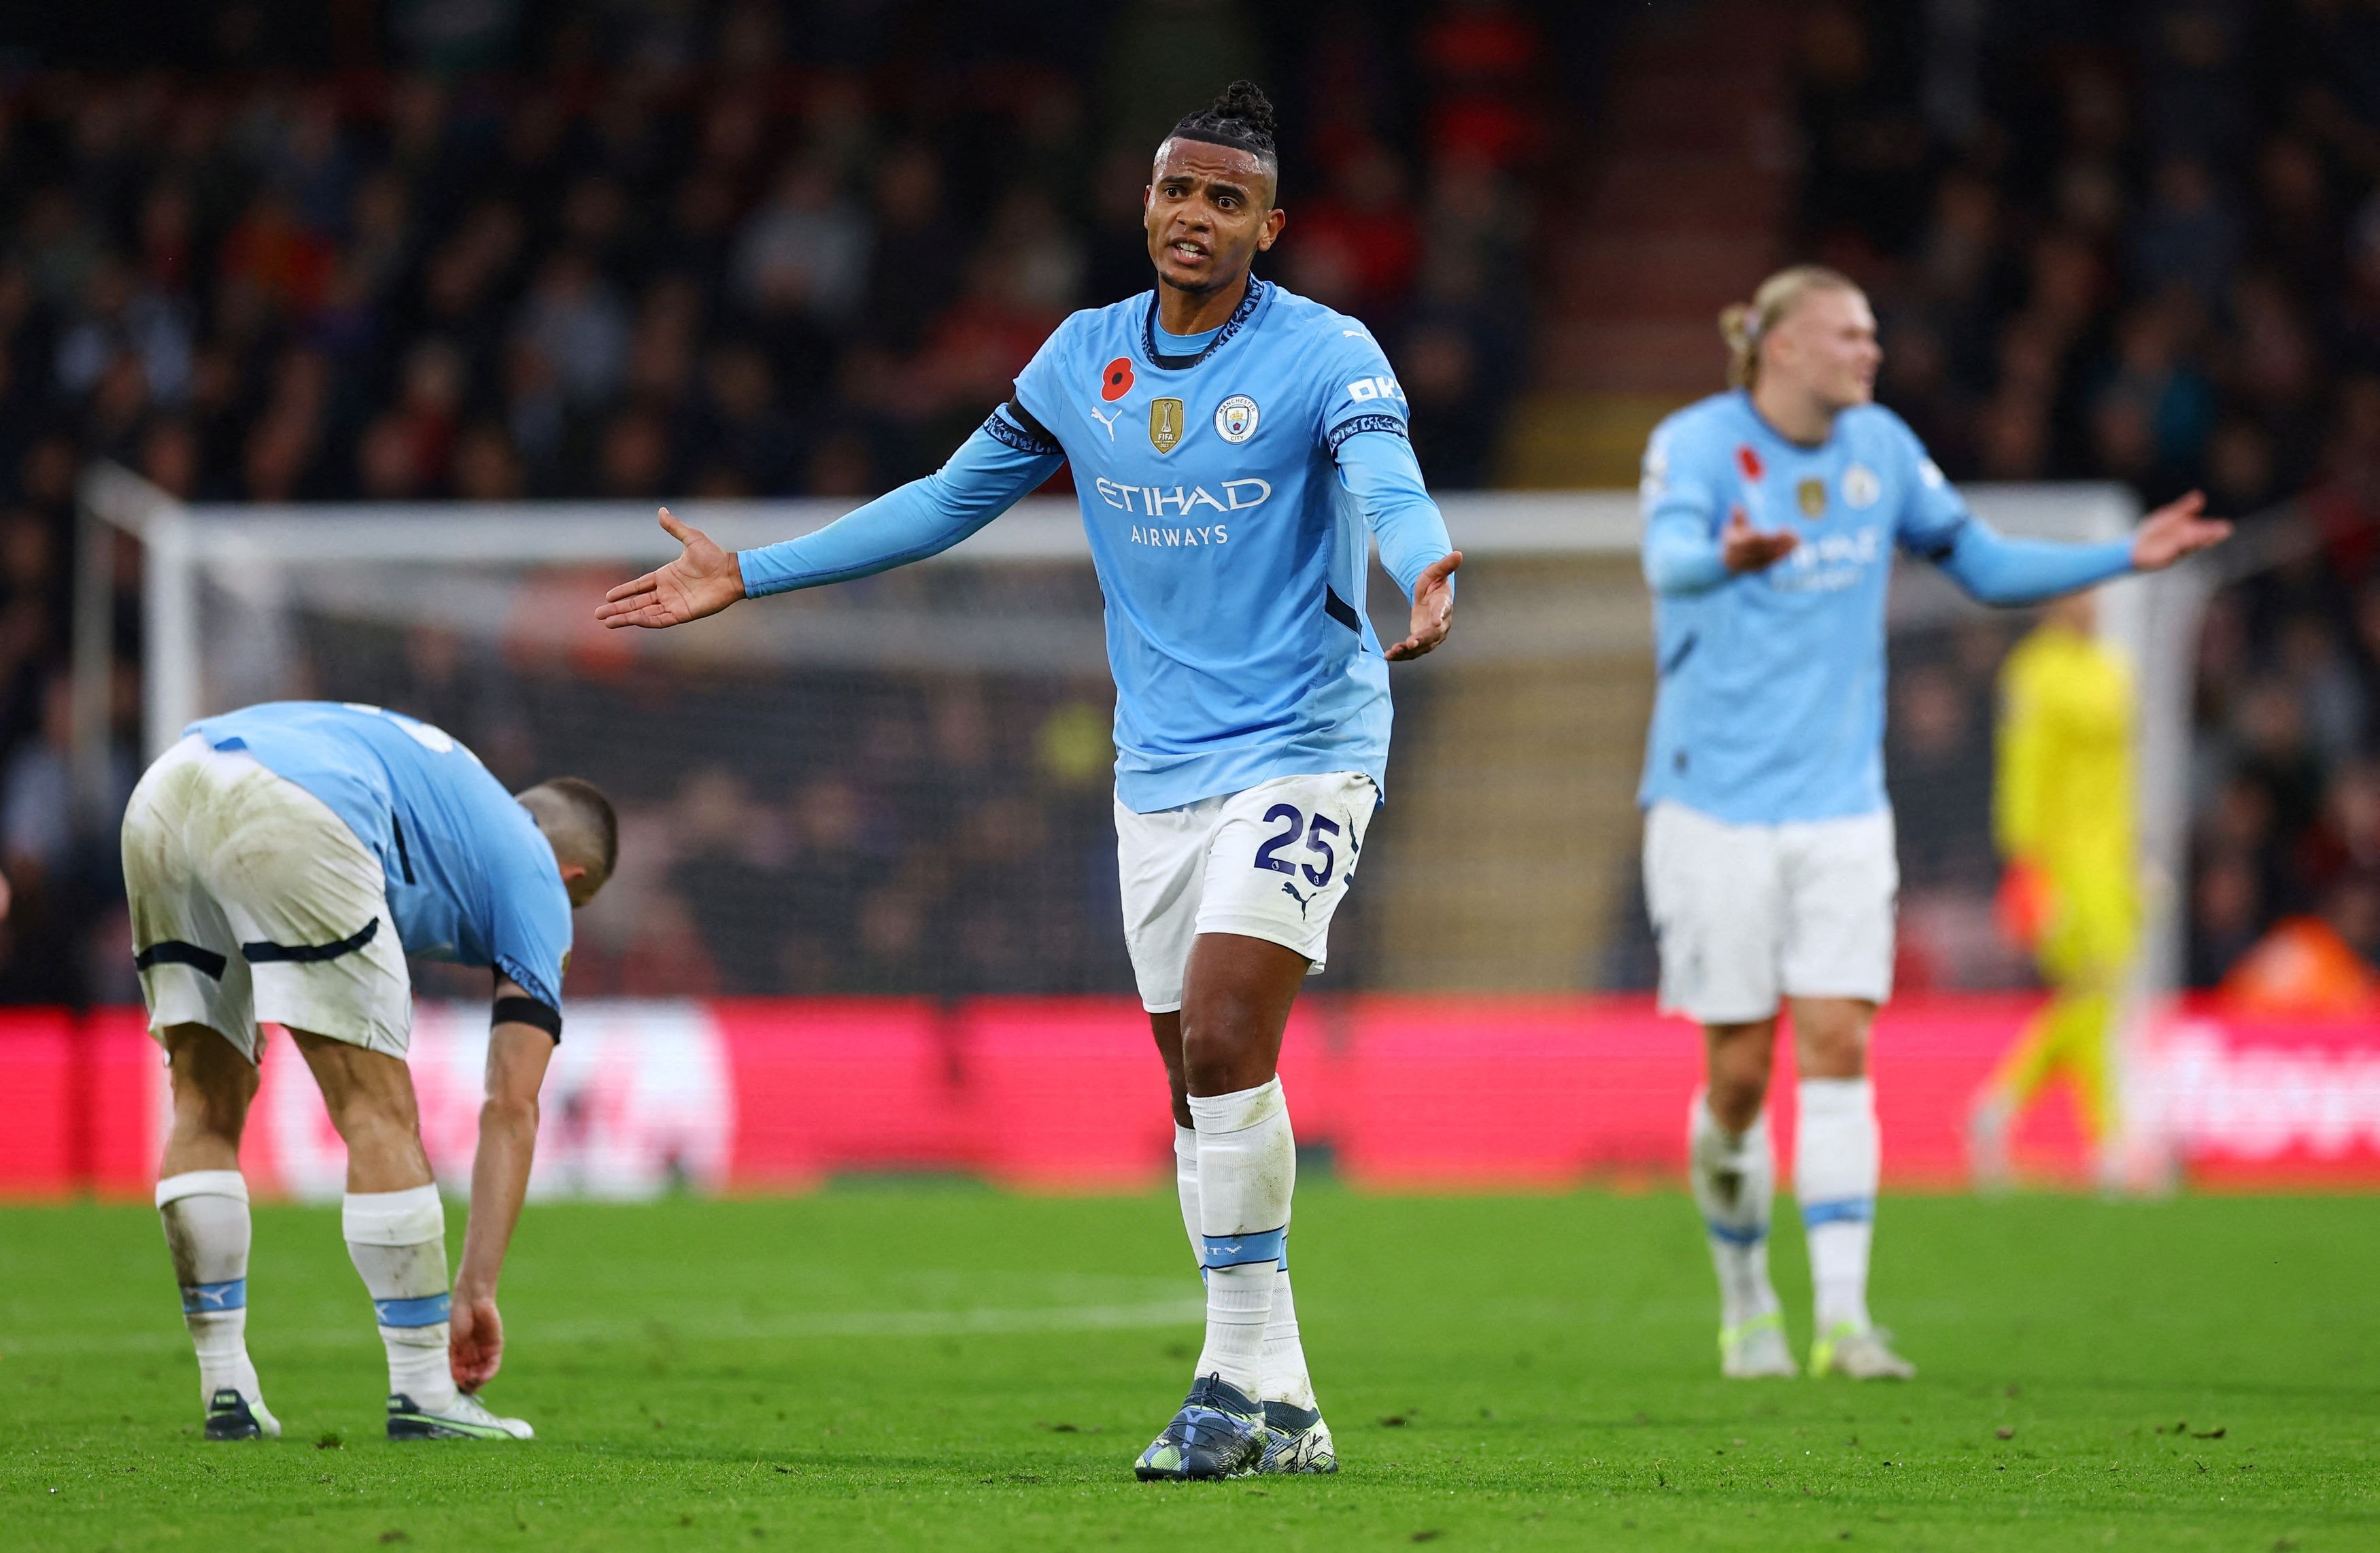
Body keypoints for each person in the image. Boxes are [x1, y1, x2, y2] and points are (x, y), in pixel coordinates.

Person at [598, 82, 1459, 1480]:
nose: (1195, 217)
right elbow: (945, 500)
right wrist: (749, 573)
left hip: (1306, 738)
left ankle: (1227, 1382)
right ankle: (1286, 1400)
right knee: (1197, 1078)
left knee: (1234, 1027)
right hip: (1157, 765)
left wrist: (1421, 559)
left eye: (1226, 201)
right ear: (1146, 202)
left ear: (1270, 227)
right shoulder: (1081, 360)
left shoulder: (1326, 352)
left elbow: (1387, 476)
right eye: (1178, 191)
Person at [1636, 265, 2228, 1382]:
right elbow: (1663, 554)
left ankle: (1847, 1319)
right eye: (1851, 334)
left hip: (1843, 804)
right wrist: (1727, 557)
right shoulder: (1700, 445)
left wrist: (2123, 556)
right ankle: (1747, 1294)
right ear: (1782, 346)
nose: (1874, 350)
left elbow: (1987, 561)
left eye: (1873, 333)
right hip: (1709, 803)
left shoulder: (1884, 451)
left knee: (1842, 1040)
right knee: (1739, 1071)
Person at [122, 700, 615, 1441]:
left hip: (167, 788)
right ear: (571, 874)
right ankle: (424, 1392)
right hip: (293, 804)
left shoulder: (456, 786)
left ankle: (226, 1382)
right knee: (377, 1112)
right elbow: (511, 1103)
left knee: (203, 1104)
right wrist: (475, 1288)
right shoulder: (539, 874)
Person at [1971, 589, 2139, 1191]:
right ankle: (2108, 1141)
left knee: (2094, 998)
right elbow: (2024, 771)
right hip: (2061, 863)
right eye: (2077, 596)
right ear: (2052, 605)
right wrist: (2026, 865)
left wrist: (2133, 860)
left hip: (2112, 864)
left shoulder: (2110, 667)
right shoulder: (2034, 673)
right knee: (2092, 992)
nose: (2089, 607)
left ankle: (2000, 1109)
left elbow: (2120, 778)